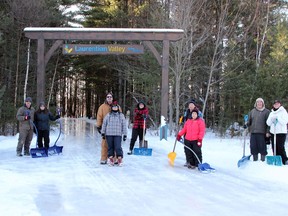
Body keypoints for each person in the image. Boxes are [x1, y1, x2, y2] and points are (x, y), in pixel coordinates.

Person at [96, 93, 121, 164]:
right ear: (106, 98)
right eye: (108, 97)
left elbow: (121, 117)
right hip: (106, 128)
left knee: (116, 144)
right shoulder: (102, 107)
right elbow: (99, 116)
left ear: (113, 98)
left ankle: (115, 158)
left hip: (116, 129)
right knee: (105, 144)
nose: (109, 98)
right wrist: (99, 126)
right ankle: (104, 158)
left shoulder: (117, 106)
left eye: (110, 97)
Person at [101, 101, 127, 166]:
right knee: (110, 147)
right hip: (109, 134)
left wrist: (125, 134)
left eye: (116, 107)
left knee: (118, 147)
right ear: (112, 108)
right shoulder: (108, 115)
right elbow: (104, 124)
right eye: (113, 107)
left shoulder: (121, 115)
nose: (115, 108)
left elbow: (124, 125)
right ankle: (111, 159)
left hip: (118, 134)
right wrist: (103, 132)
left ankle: (119, 159)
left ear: (118, 108)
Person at [266, 99, 288, 165]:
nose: (276, 105)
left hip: (281, 132)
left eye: (277, 103)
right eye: (275, 104)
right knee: (274, 147)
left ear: (280, 104)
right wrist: (271, 119)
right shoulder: (271, 113)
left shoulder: (283, 112)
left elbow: (285, 122)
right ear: (273, 105)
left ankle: (285, 160)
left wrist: (278, 118)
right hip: (273, 132)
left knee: (280, 147)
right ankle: (276, 159)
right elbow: (268, 123)